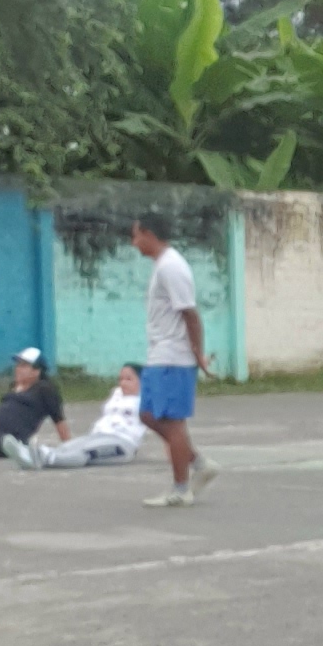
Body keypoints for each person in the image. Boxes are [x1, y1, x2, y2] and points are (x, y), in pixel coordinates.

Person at [130, 210, 218, 506]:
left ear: (149, 234)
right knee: (148, 415)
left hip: (173, 356)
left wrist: (197, 354)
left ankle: (181, 490)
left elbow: (190, 314)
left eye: (136, 236)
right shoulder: (162, 266)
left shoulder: (172, 267)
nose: (134, 243)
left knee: (172, 421)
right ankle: (199, 464)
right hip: (159, 354)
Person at [7, 364, 145, 469]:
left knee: (85, 453)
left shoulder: (145, 400)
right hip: (98, 435)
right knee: (68, 447)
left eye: (129, 379)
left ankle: (44, 458)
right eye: (121, 379)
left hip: (122, 442)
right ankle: (29, 454)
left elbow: (156, 420)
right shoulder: (117, 395)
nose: (123, 383)